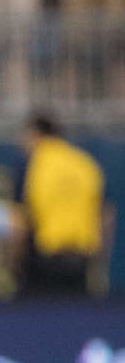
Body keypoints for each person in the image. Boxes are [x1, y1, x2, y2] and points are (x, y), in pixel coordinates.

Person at [11, 111, 113, 297]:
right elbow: (105, 216)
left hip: (43, 262)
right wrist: (100, 264)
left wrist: (14, 264)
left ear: (35, 135)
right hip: (81, 260)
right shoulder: (84, 163)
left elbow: (18, 222)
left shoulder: (32, 164)